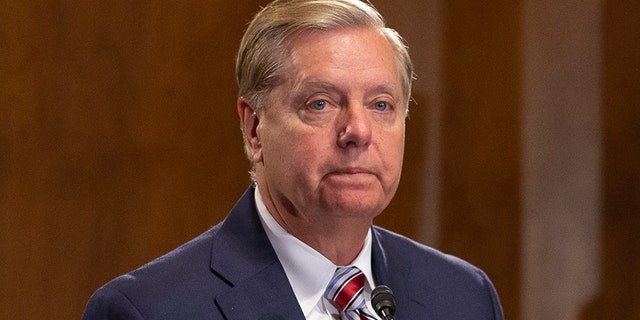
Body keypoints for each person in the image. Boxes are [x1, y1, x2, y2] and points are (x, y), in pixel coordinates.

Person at [82, 0, 504, 319]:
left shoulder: (464, 296)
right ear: (254, 128)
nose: (358, 131)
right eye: (320, 103)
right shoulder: (146, 310)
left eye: (380, 105)